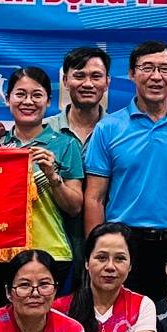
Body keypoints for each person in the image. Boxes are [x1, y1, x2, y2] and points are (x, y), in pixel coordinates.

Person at [84, 40, 167, 299]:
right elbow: (94, 198)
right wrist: (95, 252)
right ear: (132, 74)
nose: (156, 76)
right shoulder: (108, 128)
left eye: (164, 69)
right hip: (122, 244)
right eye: (147, 68)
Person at [5, 65, 86, 284]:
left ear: (48, 101)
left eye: (37, 95)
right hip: (5, 253)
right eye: (20, 94)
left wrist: (52, 177)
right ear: (7, 99)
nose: (28, 101)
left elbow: (75, 207)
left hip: (52, 253)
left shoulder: (66, 144)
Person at [44, 45, 112, 252]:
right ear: (65, 81)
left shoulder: (120, 131)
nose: (88, 84)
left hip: (107, 245)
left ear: (107, 82)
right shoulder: (44, 130)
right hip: (52, 245)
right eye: (79, 76)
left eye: (96, 76)